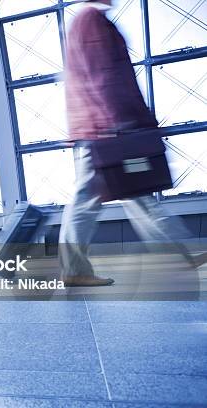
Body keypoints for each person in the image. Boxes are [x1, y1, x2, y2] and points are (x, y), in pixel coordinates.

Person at [58, 0, 204, 286]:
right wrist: (123, 123)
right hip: (105, 131)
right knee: (89, 199)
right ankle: (73, 270)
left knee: (139, 194)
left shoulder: (84, 20)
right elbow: (103, 76)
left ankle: (178, 257)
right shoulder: (91, 20)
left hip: (100, 128)